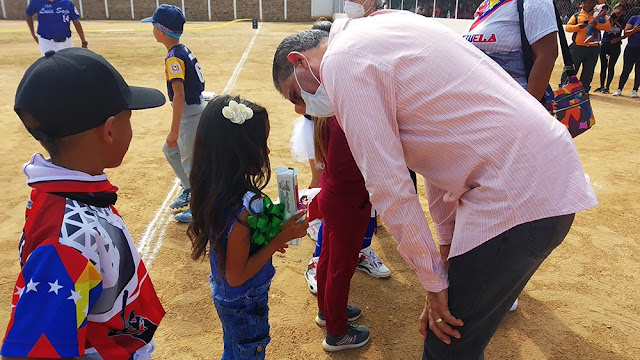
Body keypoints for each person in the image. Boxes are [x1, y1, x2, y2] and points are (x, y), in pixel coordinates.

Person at [272, 10, 597, 359]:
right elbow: (436, 160)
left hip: (515, 196)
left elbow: (390, 187)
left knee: (446, 344)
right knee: (457, 338)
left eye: (296, 95)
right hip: (533, 182)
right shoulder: (381, 25)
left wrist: (433, 281)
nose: (301, 109)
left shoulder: (341, 61)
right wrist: (443, 250)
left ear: (300, 61)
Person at [1, 48, 166, 359]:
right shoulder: (65, 242)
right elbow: (33, 351)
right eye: (128, 118)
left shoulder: (73, 190)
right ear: (109, 130)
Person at [187, 95, 309, 359]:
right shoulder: (247, 205)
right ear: (239, 151)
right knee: (247, 353)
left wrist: (270, 237)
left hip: (227, 296)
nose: (266, 151)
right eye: (261, 143)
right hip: (245, 301)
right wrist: (277, 241)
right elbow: (237, 274)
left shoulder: (214, 189)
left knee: (233, 350)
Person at [463, 0, 558, 312]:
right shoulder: (487, 5)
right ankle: (484, 272)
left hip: (512, 121)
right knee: (483, 200)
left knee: (508, 204)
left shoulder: (533, 2)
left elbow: (546, 57)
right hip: (481, 121)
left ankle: (504, 284)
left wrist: (526, 117)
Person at [143, 4, 206, 223]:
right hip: (193, 109)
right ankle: (189, 189)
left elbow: (178, 95)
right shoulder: (180, 50)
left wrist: (174, 130)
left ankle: (200, 209)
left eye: (153, 25)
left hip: (190, 113)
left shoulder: (173, 57)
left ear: (161, 31)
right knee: (170, 151)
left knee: (191, 163)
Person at [463, 0, 558, 101]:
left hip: (510, 103)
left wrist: (527, 110)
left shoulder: (534, 2)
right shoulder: (486, 4)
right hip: (478, 100)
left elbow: (547, 55)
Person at [563, 0, 611, 92]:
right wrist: (578, 27)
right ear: (582, 4)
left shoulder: (600, 15)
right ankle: (565, 87)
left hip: (593, 49)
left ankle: (584, 89)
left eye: (589, 3)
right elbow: (568, 28)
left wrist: (597, 25)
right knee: (571, 68)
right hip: (577, 48)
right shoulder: (577, 16)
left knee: (588, 71)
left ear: (594, 4)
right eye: (585, 3)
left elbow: (608, 27)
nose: (587, 5)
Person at [595, 3, 625, 94]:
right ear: (614, 9)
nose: (619, 11)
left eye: (621, 10)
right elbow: (599, 25)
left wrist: (618, 39)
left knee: (611, 66)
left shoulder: (623, 21)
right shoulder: (607, 18)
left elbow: (627, 33)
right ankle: (601, 86)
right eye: (617, 9)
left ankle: (607, 87)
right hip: (605, 44)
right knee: (603, 66)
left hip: (615, 45)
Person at [612, 12, 640, 97]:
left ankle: (635, 90)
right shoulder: (634, 18)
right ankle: (619, 89)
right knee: (626, 69)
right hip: (631, 48)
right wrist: (635, 30)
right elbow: (626, 33)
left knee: (638, 71)